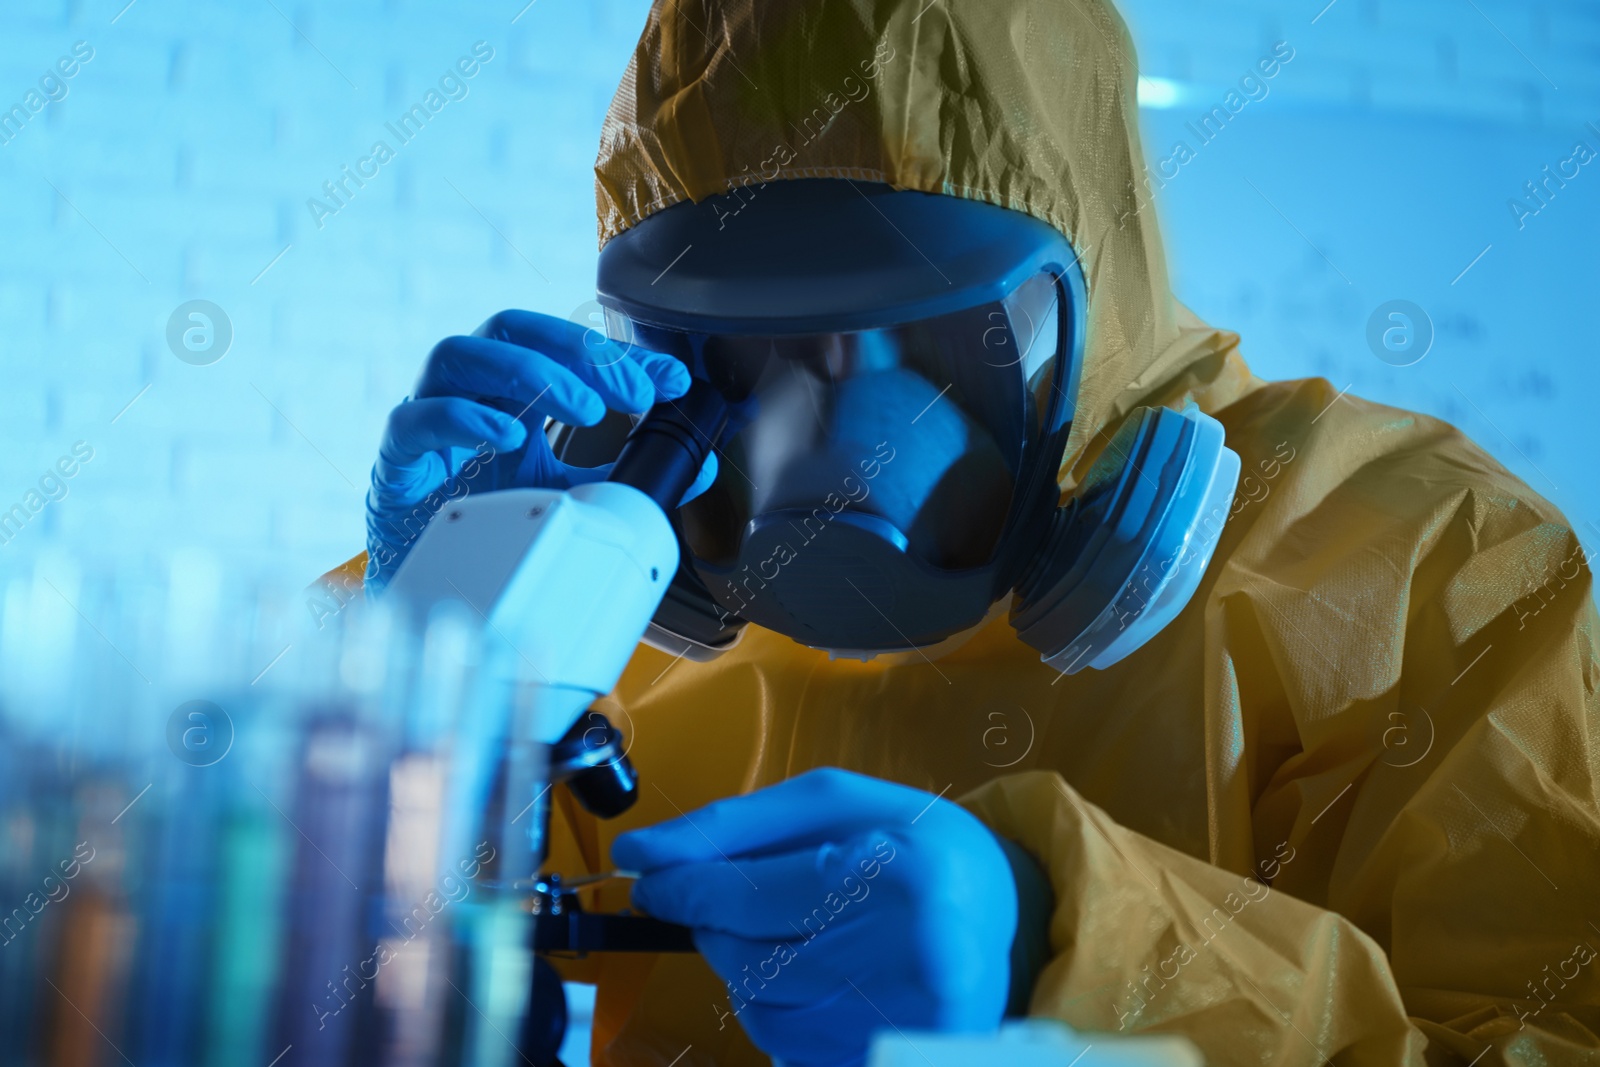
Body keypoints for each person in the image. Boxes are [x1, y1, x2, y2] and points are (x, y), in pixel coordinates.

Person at [343, 0, 1600, 1063]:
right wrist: (416, 659)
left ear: (1081, 291)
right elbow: (326, 967)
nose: (820, 415)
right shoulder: (600, 577)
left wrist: (1077, 950)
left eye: (920, 331)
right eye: (742, 344)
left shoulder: (1430, 562)